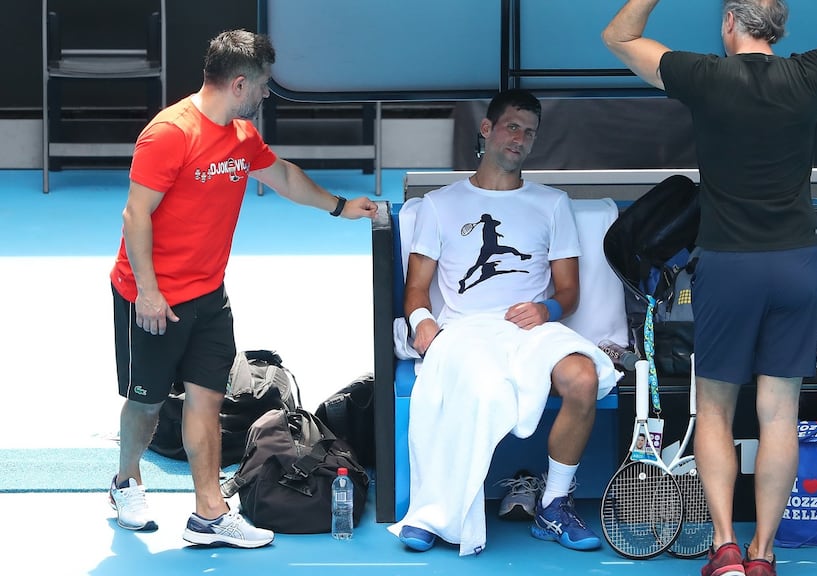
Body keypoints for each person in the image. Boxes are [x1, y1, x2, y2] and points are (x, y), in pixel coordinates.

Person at [603, 1, 817, 575]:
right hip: (796, 263)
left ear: (730, 22)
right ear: (777, 27)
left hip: (729, 265)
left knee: (713, 410)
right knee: (780, 412)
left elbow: (619, 35)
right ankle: (764, 556)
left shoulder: (704, 75)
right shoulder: (810, 73)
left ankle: (725, 548)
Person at [107, 29, 377, 548]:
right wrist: (148, 293)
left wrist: (341, 207)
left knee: (206, 401)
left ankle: (209, 513)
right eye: (262, 86)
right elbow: (135, 215)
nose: (265, 95)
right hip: (151, 298)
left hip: (209, 295)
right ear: (238, 83)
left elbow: (287, 178)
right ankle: (125, 482)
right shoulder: (169, 134)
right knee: (145, 402)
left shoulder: (241, 137)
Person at [387, 89, 618, 556]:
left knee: (583, 377)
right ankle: (436, 511)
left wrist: (547, 310)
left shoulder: (553, 204)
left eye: (529, 132)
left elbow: (568, 292)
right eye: (512, 127)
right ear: (487, 129)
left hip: (529, 330)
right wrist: (422, 321)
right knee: (476, 387)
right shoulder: (438, 205)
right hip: (466, 330)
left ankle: (554, 504)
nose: (520, 139)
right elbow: (416, 288)